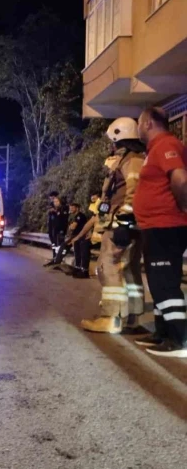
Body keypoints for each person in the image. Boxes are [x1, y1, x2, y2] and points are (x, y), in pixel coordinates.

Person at [82, 117, 146, 334]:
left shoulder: (131, 161)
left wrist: (124, 222)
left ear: (119, 138)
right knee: (129, 270)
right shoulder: (132, 158)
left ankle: (111, 317)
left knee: (108, 267)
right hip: (127, 223)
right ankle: (131, 318)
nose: (111, 146)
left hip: (122, 224)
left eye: (113, 141)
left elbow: (134, 190)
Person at [132, 107, 187, 357]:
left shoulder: (166, 144)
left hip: (165, 226)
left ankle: (178, 339)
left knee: (164, 281)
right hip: (156, 226)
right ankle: (162, 333)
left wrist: (182, 207)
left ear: (149, 123)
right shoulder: (155, 149)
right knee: (160, 280)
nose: (138, 128)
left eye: (139, 123)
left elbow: (181, 179)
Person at [69, 194, 101, 278]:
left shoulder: (104, 211)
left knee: (84, 244)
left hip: (104, 239)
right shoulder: (96, 214)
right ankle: (78, 267)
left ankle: (84, 270)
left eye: (95, 199)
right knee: (79, 242)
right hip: (96, 238)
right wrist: (78, 237)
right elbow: (88, 225)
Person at [49, 202, 88, 269]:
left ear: (77, 208)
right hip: (75, 235)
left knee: (63, 245)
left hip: (78, 236)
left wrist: (71, 225)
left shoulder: (80, 216)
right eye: (70, 208)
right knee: (64, 247)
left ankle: (57, 262)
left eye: (73, 207)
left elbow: (73, 227)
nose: (71, 209)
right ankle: (57, 261)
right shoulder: (75, 216)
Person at [44, 194, 69, 266]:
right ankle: (55, 258)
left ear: (60, 202)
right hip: (53, 230)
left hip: (60, 230)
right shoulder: (52, 210)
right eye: (54, 201)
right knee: (54, 244)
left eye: (57, 201)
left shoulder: (64, 208)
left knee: (59, 245)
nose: (55, 203)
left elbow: (63, 218)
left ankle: (59, 260)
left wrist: (56, 212)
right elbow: (51, 220)